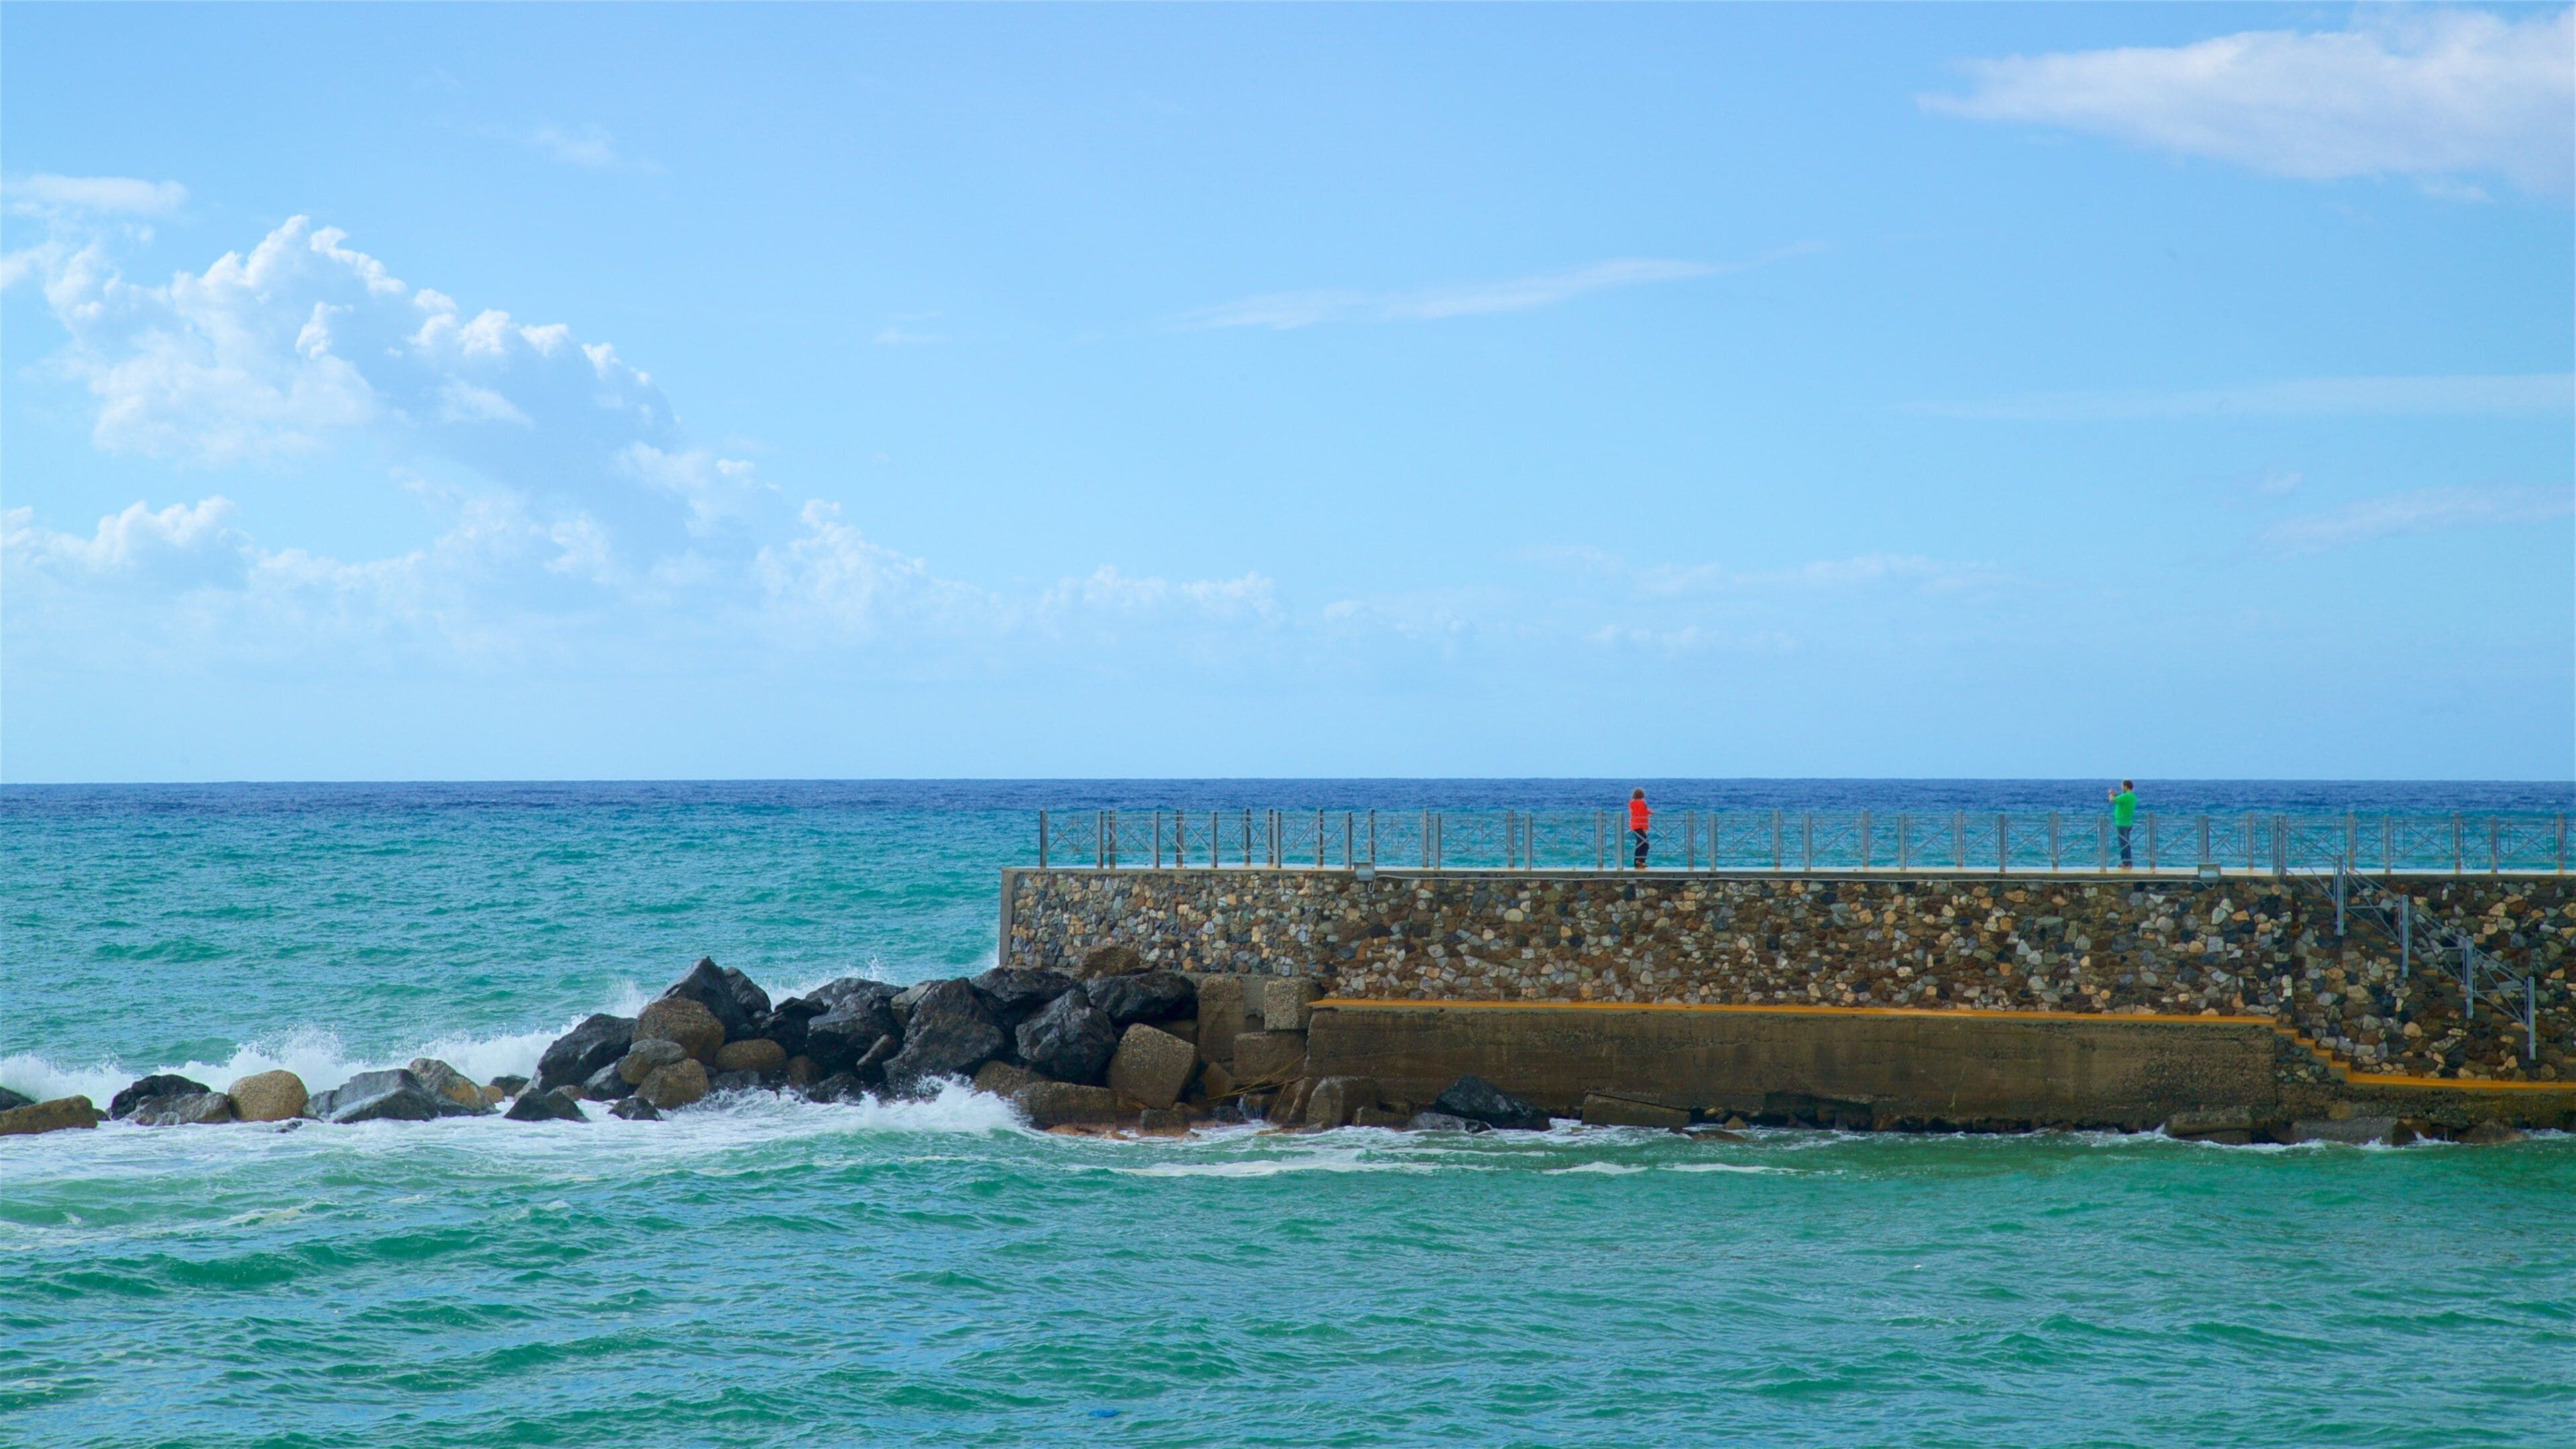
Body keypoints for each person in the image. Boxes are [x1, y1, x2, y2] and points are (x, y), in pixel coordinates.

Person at [2108, 780, 2138, 867]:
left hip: (2121, 823)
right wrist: (2116, 794)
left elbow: (2111, 800)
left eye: (2122, 786)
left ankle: (2126, 863)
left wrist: (2111, 793)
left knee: (2123, 844)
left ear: (2126, 786)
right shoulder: (2132, 797)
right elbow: (2120, 797)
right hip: (2129, 823)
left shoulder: (2126, 797)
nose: (2122, 788)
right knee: (2127, 843)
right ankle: (2128, 862)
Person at [1627, 788, 1652, 869]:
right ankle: (1641, 860)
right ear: (1642, 795)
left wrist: (1650, 812)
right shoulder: (1641, 803)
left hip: (1634, 825)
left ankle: (1637, 862)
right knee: (1646, 843)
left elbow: (1639, 812)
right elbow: (1642, 814)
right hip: (1639, 825)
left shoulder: (1633, 803)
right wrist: (1644, 827)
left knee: (1639, 843)